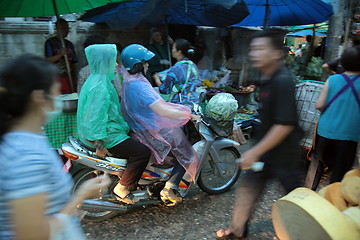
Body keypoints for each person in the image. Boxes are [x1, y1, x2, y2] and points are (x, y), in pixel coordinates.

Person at [0, 54, 110, 240]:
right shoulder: (26, 155)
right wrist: (79, 198)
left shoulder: (31, 138)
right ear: (38, 97)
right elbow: (32, 235)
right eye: (56, 91)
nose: (59, 98)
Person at [215, 30, 304, 239]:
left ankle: (305, 232)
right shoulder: (267, 77)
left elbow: (284, 124)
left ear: (276, 53)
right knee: (248, 188)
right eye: (253, 48)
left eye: (260, 48)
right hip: (266, 152)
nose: (254, 53)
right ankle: (237, 230)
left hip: (285, 155)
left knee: (297, 198)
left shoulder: (282, 80)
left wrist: (254, 152)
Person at [120, 44, 199, 205]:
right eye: (145, 62)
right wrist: (187, 114)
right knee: (187, 154)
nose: (148, 65)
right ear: (138, 65)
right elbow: (162, 109)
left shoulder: (130, 81)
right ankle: (169, 188)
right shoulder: (139, 85)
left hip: (140, 129)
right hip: (149, 132)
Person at [77, 44, 151, 204]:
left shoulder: (95, 80)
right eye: (113, 61)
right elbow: (95, 119)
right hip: (108, 135)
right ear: (105, 62)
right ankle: (123, 187)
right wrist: (99, 144)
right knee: (142, 152)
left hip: (106, 131)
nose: (117, 64)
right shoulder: (100, 86)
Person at [309, 46, 360, 187]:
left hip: (325, 132)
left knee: (317, 167)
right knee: (339, 174)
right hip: (348, 136)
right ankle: (332, 200)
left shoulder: (333, 79)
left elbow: (319, 105)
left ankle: (306, 195)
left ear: (342, 62)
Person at [154, 38, 202, 104]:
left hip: (181, 104)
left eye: (173, 48)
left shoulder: (175, 69)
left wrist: (156, 79)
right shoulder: (193, 65)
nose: (172, 50)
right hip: (194, 102)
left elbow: (164, 90)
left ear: (179, 52)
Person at [45, 18, 78, 94]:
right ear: (57, 29)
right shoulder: (50, 43)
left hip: (69, 78)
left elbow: (74, 63)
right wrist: (61, 54)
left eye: (67, 28)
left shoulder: (69, 44)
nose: (66, 30)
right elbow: (48, 60)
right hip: (55, 78)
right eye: (63, 28)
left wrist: (75, 79)